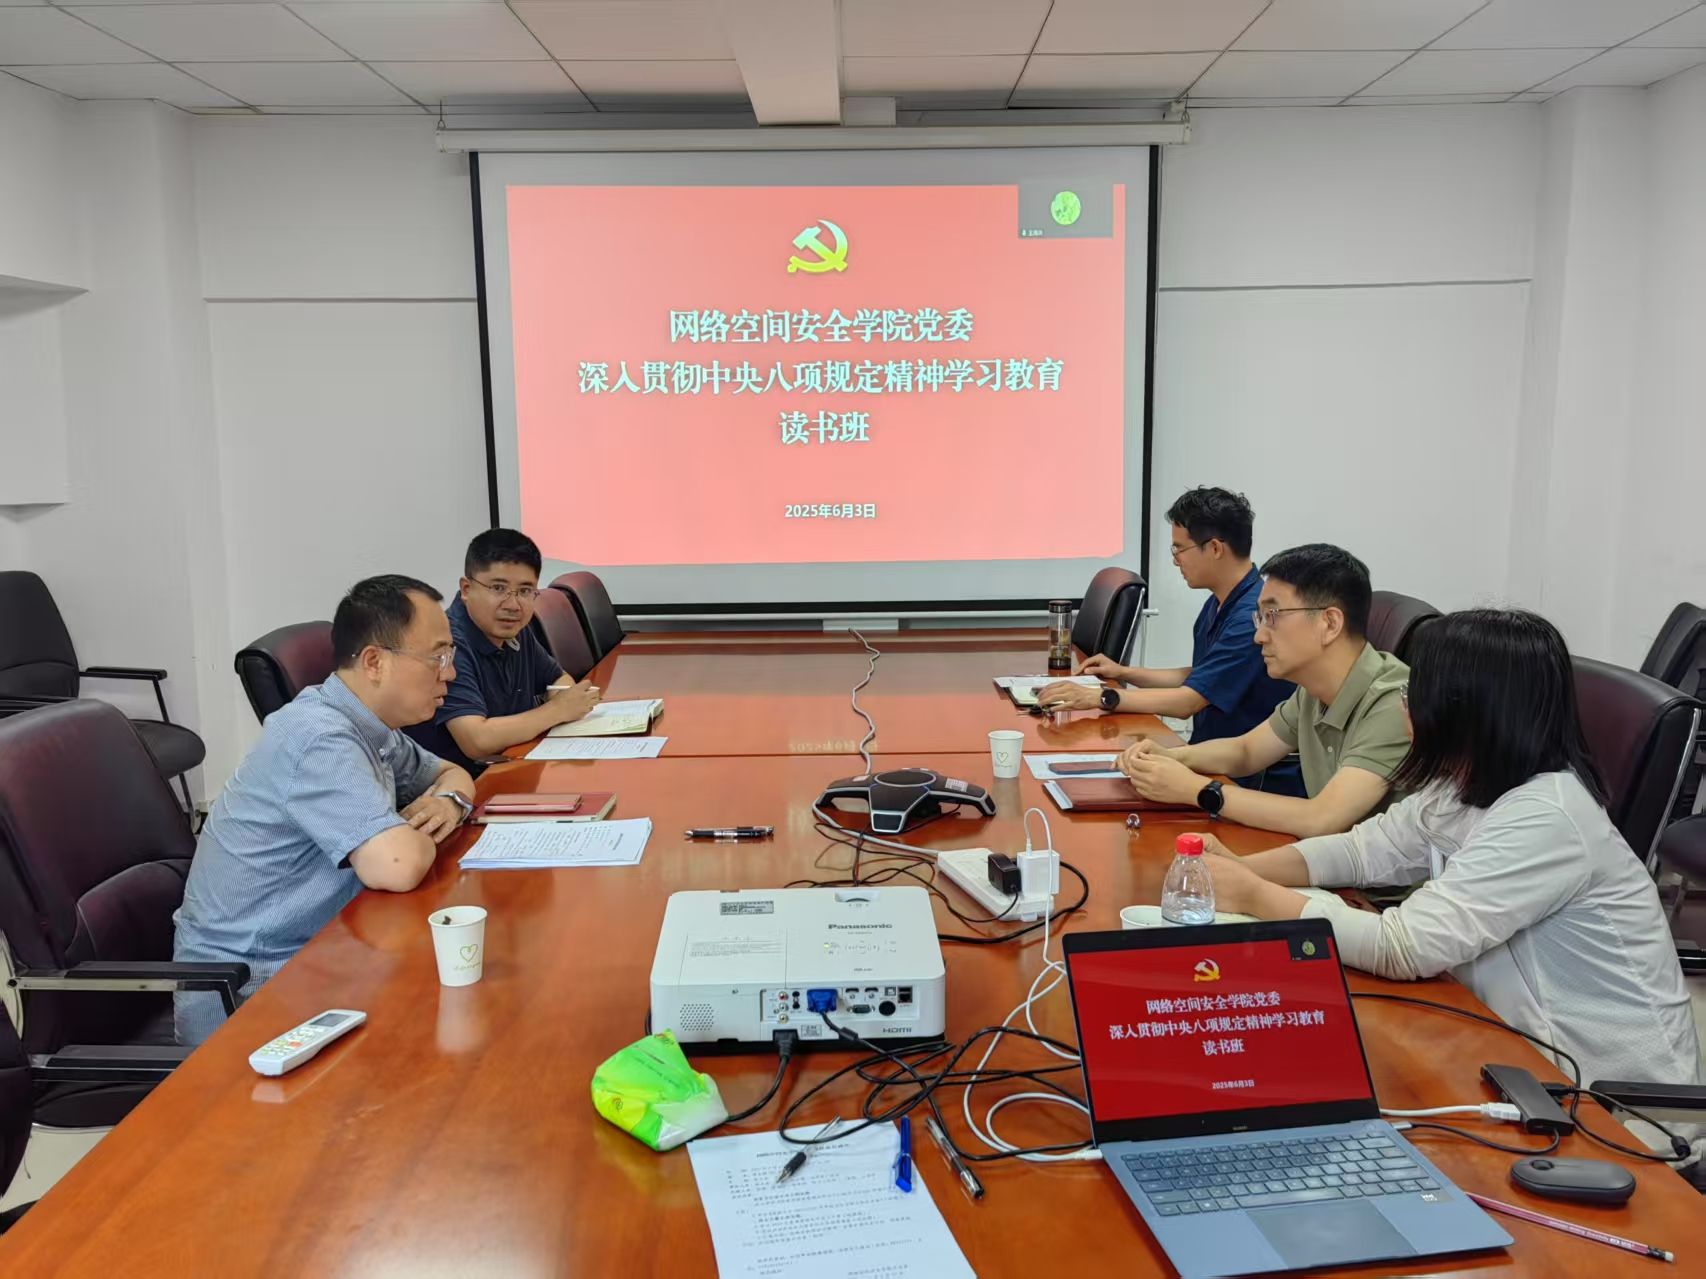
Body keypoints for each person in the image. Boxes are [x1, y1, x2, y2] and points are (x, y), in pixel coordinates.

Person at [1182, 608, 1704, 1100]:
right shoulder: (1462, 782)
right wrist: (1240, 870)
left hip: (1609, 1106)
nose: (1404, 704)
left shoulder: (1547, 816)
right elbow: (1362, 851)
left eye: (1417, 692)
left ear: (1467, 708)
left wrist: (1254, 895)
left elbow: (1403, 948)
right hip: (1504, 1049)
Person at [173, 575, 476, 1046]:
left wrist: (447, 803)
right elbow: (397, 865)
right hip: (254, 989)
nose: (449, 673)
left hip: (326, 953)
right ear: (374, 662)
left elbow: (455, 775)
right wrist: (413, 828)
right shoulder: (319, 736)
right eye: (437, 657)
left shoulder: (369, 725)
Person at [1117, 543, 1408, 837]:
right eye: (1260, 618)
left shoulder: (1395, 703)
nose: (1258, 636)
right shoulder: (1312, 691)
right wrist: (1171, 756)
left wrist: (1195, 789)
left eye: (1273, 616)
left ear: (1330, 623)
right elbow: (1246, 751)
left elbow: (1321, 818)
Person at [1038, 487, 1301, 794]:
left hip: (1245, 779)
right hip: (1209, 760)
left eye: (1179, 549)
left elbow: (1189, 701)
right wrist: (1123, 672)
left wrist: (1100, 698)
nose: (1176, 561)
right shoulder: (1221, 601)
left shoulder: (1249, 618)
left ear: (1215, 548)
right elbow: (1201, 675)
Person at [410, 528, 600, 774]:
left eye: (525, 591)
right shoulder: (448, 643)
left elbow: (559, 679)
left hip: (515, 767)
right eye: (498, 588)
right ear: (466, 589)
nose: (513, 605)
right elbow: (477, 741)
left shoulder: (514, 629)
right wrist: (557, 710)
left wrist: (561, 705)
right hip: (463, 783)